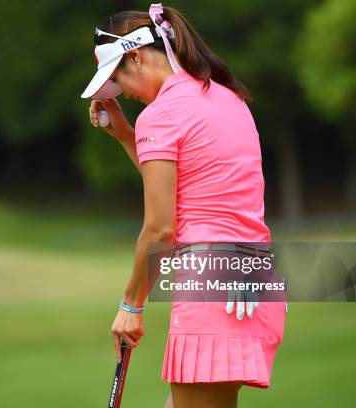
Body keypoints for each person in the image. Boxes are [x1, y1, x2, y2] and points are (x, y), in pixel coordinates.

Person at [81, 3, 287, 408]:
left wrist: (130, 305)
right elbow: (187, 189)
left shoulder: (161, 116)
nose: (127, 94)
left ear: (136, 57)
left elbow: (160, 228)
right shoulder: (228, 97)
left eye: (120, 79)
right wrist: (126, 136)